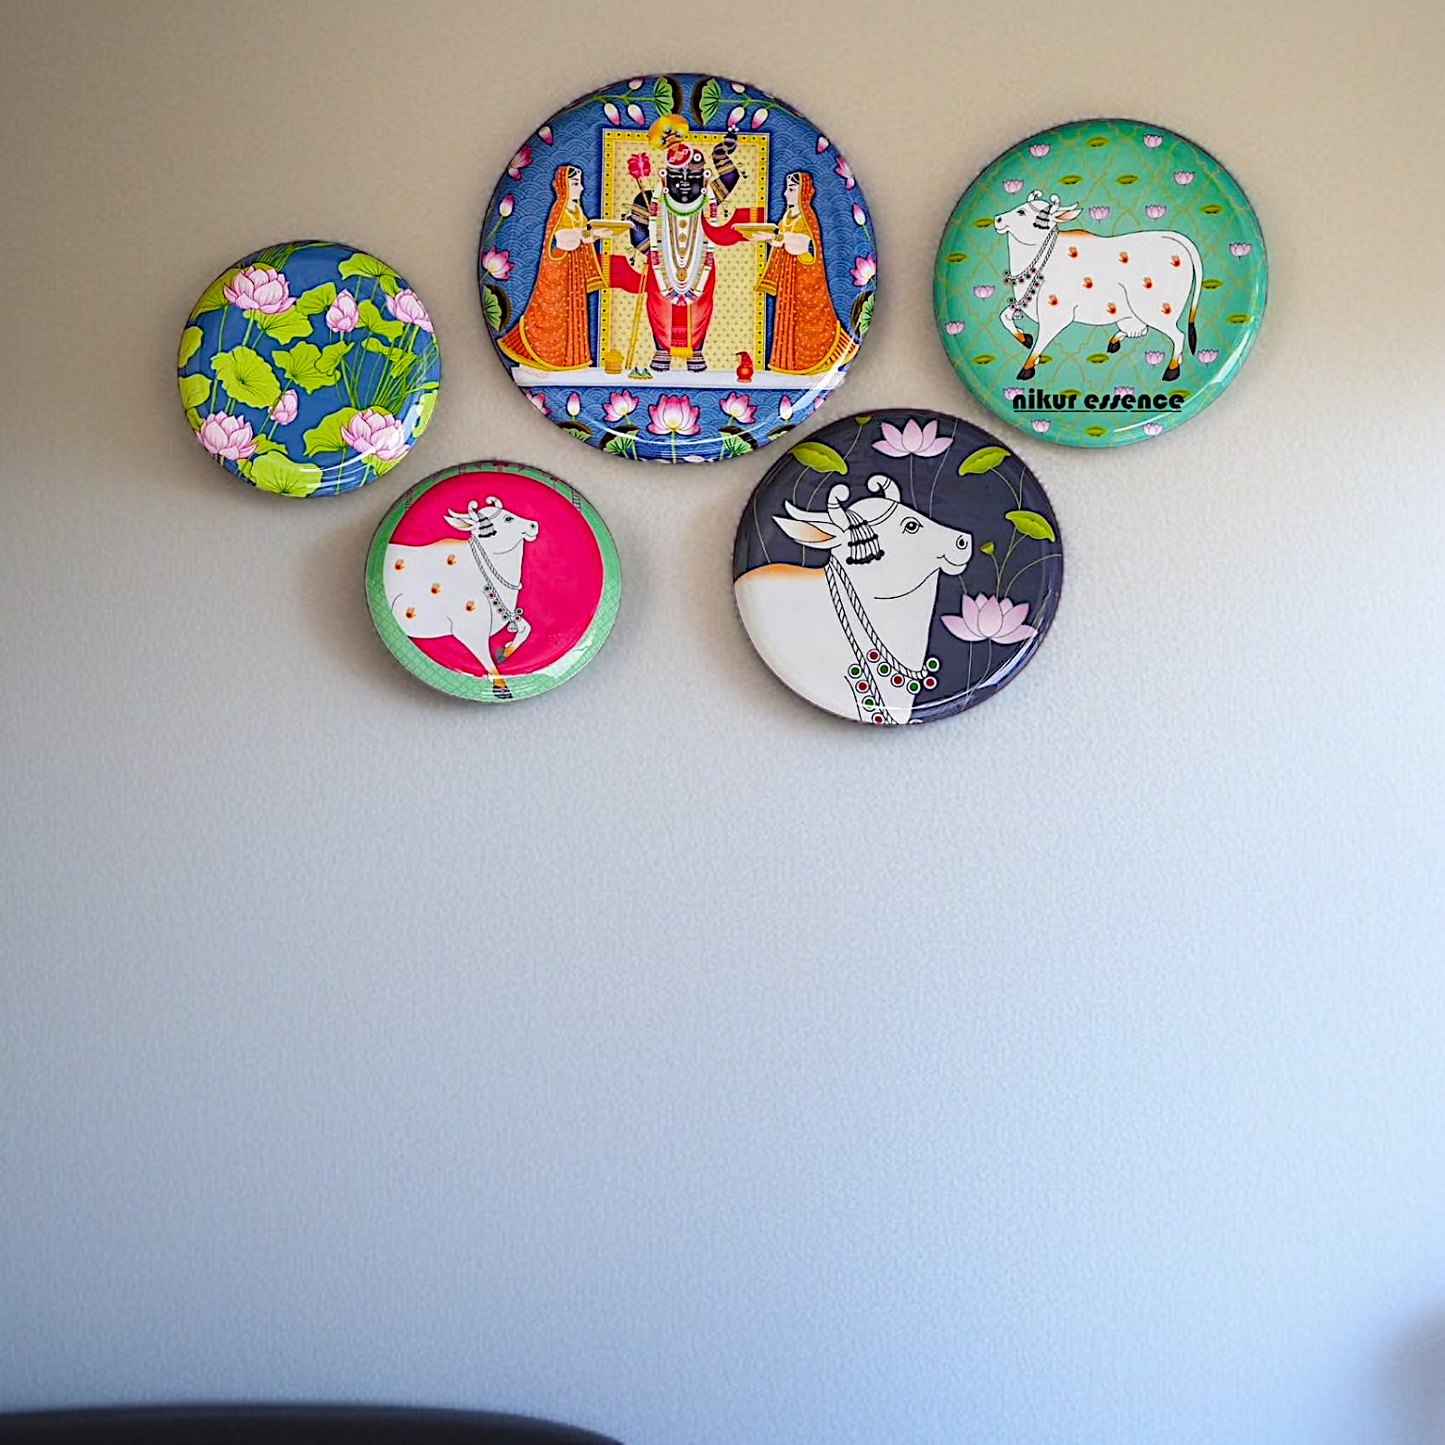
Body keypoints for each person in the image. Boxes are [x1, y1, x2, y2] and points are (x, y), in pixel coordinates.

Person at [497, 165, 602, 371]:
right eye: (575, 183)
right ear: (564, 186)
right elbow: (560, 240)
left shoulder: (577, 210)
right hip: (559, 271)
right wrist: (584, 235)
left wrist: (600, 234)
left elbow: (583, 237)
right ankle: (537, 360)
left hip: (573, 270)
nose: (581, 188)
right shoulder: (559, 210)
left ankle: (569, 360)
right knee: (551, 317)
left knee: (572, 314)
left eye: (580, 183)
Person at [758, 171, 856, 376]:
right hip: (788, 275)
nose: (785, 194)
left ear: (802, 191)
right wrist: (769, 237)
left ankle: (812, 359)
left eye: (791, 189)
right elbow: (781, 240)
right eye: (787, 189)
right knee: (787, 316)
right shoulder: (788, 216)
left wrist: (781, 239)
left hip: (804, 277)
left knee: (807, 320)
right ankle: (789, 362)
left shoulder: (807, 216)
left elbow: (807, 247)